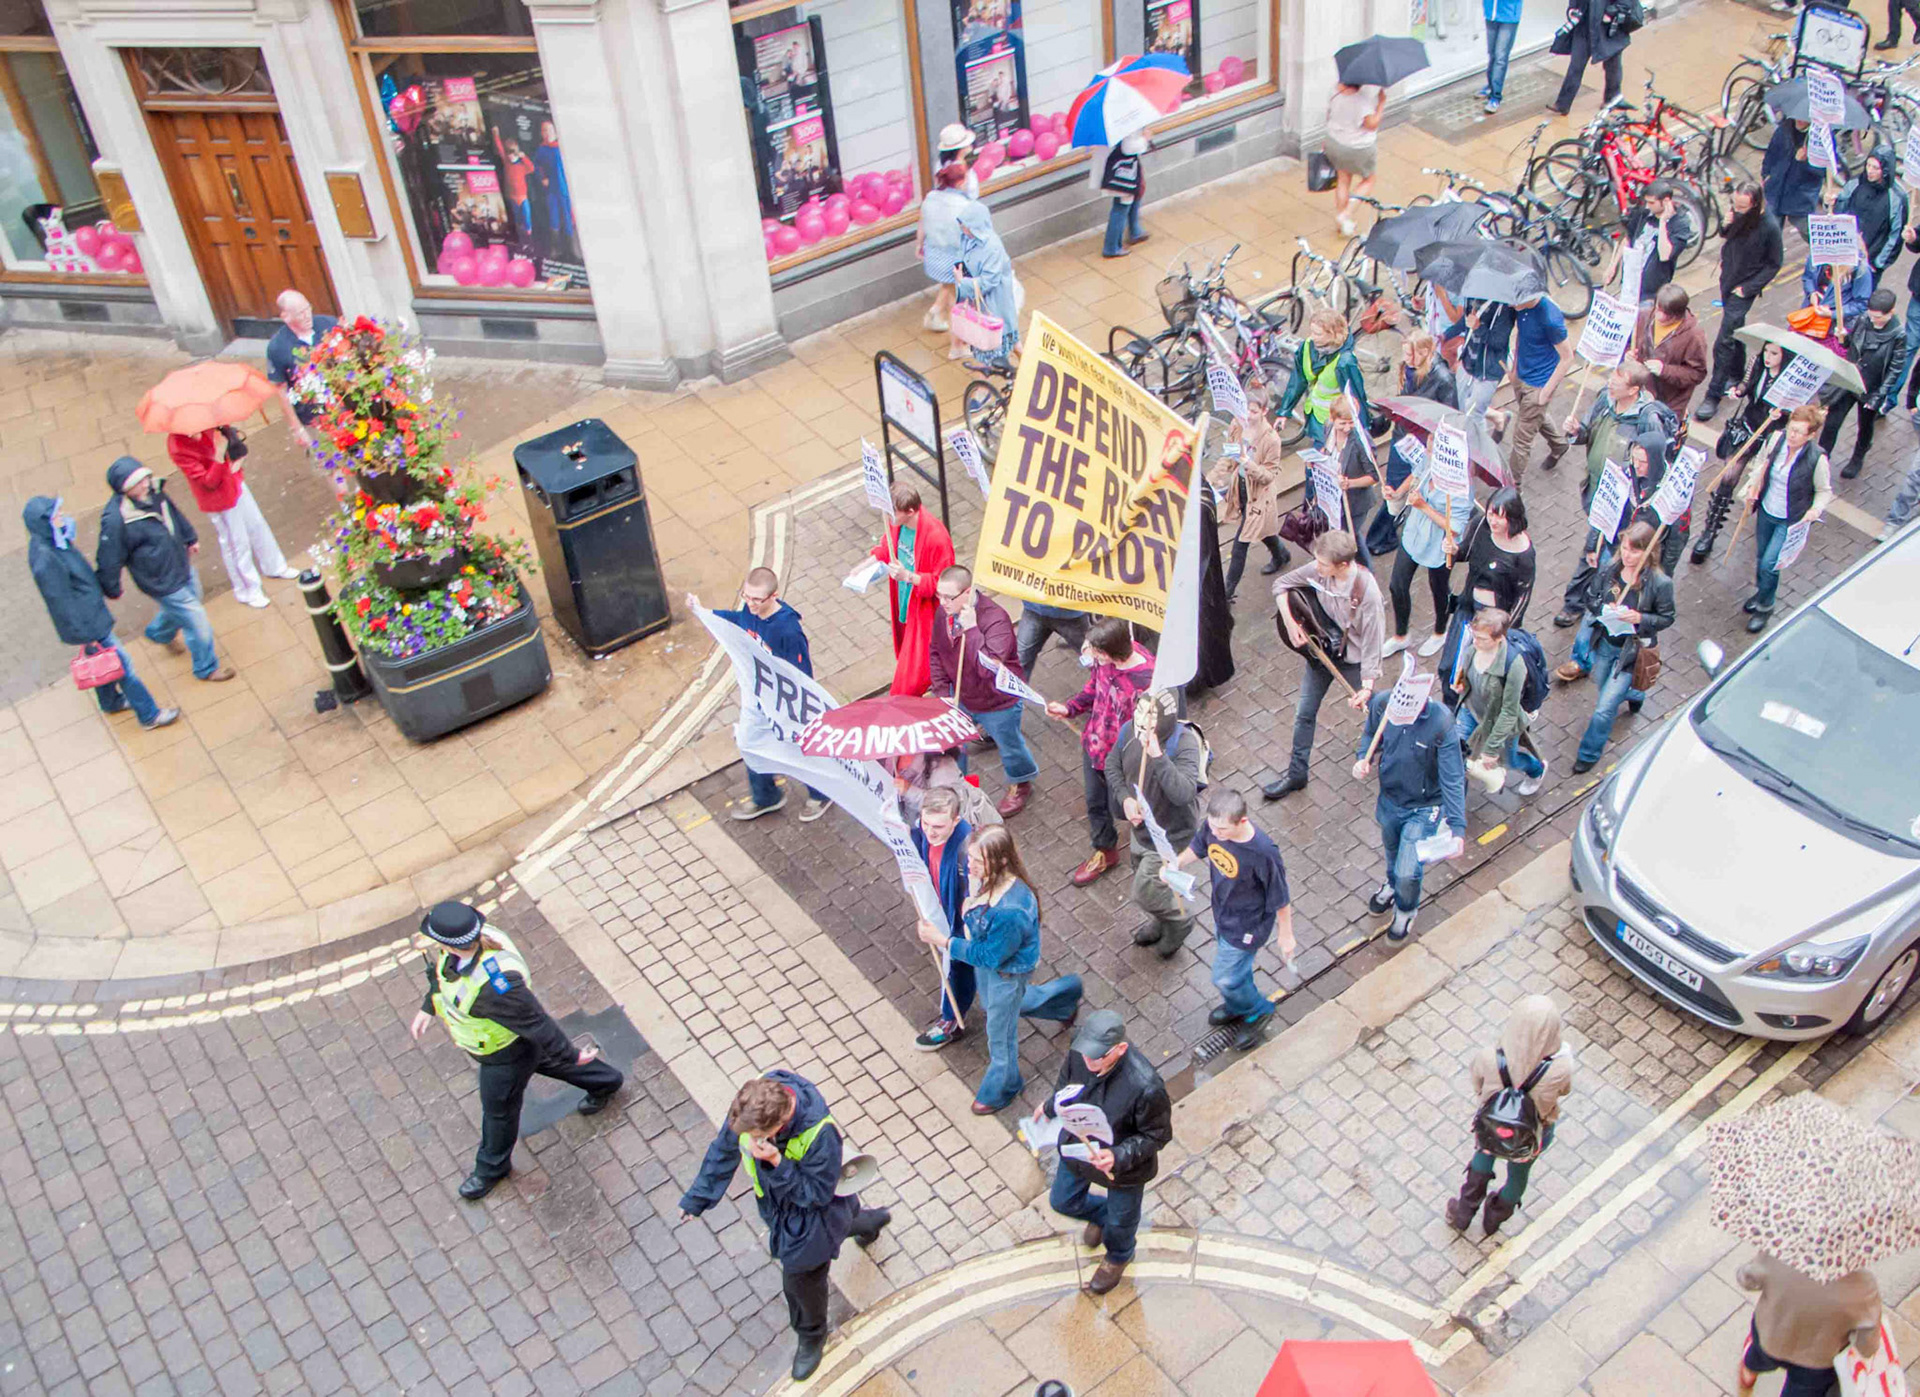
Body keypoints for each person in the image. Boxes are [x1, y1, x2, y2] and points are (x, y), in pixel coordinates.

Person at [677, 1073, 892, 1381]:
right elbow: (723, 1148)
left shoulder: (821, 1135)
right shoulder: (752, 1105)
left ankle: (812, 1336)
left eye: (755, 1138)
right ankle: (868, 1222)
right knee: (840, 1224)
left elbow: (816, 1195)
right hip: (780, 1207)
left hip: (810, 1216)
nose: (748, 1143)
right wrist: (698, 1198)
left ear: (777, 1127)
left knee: (800, 1281)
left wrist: (777, 1162)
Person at [409, 901, 624, 1200]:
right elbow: (442, 979)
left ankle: (491, 1168)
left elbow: (536, 1022)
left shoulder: (497, 986)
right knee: (547, 1060)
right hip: (513, 1042)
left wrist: (571, 1053)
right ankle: (606, 1081)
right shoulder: (473, 941)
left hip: (504, 1055)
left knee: (499, 1112)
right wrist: (428, 1008)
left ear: (450, 943)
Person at [915, 826, 1082, 1113]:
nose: (971, 866)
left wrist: (944, 942)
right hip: (998, 969)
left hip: (1006, 970)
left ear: (1001, 860)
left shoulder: (1009, 910)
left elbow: (990, 956)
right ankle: (1064, 998)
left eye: (978, 861)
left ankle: (1004, 1084)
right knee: (1003, 1004)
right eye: (970, 859)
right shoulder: (988, 879)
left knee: (1000, 1032)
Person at [1033, 1009, 1172, 1295]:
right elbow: (1065, 1087)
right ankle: (1102, 1217)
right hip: (1079, 1147)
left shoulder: (1146, 1086)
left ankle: (1118, 1256)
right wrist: (1049, 1107)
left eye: (1097, 1056)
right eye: (1085, 1053)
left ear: (1120, 1049)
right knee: (1062, 1201)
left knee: (1122, 1222)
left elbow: (1157, 1135)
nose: (1088, 1061)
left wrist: (1119, 1156)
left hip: (1123, 1168)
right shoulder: (1080, 1054)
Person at [24, 497, 178, 731]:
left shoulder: (52, 540)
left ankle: (110, 702)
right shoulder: (45, 558)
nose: (62, 516)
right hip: (89, 623)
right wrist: (88, 635)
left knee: (102, 661)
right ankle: (149, 715)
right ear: (44, 522)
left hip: (91, 616)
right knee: (123, 666)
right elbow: (61, 603)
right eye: (56, 515)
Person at [1166, 789, 1298, 1048]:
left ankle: (1258, 1009)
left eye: (1223, 830)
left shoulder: (1263, 852)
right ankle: (1238, 1002)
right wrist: (1176, 865)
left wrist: (1286, 934)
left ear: (1243, 822)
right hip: (1224, 914)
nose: (1217, 834)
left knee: (1224, 977)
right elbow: (1199, 845)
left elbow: (1280, 896)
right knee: (1236, 972)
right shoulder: (1213, 828)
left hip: (1247, 926)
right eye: (1213, 827)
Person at [1263, 530, 1386, 802]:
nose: (1316, 568)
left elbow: (1373, 643)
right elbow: (1281, 585)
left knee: (1375, 710)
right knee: (1304, 713)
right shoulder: (1320, 569)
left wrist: (1367, 685)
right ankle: (1297, 774)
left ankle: (1397, 747)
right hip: (1323, 654)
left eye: (1322, 564)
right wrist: (1289, 620)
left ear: (1342, 565)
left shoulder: (1368, 593)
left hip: (1353, 660)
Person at [95, 457, 233, 684]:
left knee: (194, 597)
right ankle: (206, 668)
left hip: (179, 563)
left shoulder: (155, 491)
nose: (145, 484)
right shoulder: (116, 520)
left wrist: (189, 537)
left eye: (145, 478)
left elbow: (173, 514)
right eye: (138, 482)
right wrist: (111, 587)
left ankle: (160, 633)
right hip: (159, 580)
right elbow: (109, 556)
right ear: (124, 488)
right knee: (196, 618)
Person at [707, 570, 830, 822]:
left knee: (799, 747)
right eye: (746, 596)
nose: (750, 604)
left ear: (773, 596)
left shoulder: (788, 630)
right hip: (759, 694)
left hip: (784, 700)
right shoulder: (750, 610)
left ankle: (821, 792)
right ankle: (765, 796)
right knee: (750, 741)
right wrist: (708, 615)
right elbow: (739, 621)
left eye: (756, 600)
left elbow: (801, 674)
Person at [1446, 995, 1574, 1234]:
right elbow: (1564, 1091)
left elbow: (1477, 1085)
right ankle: (1495, 1217)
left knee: (1483, 1156)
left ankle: (1463, 1212)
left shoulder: (1488, 1057)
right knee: (1519, 1174)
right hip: (1534, 1132)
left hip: (1492, 1127)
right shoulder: (1561, 1068)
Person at [1553, 362, 1666, 627]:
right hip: (1595, 489)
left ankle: (1581, 603)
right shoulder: (1606, 399)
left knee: (1597, 549)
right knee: (1595, 546)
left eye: (1618, 382)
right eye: (1612, 379)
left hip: (1621, 503)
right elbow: (1587, 432)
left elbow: (1653, 463)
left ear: (1635, 390)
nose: (1610, 385)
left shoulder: (1647, 419)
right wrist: (1576, 431)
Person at [1354, 679, 1467, 943]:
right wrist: (1363, 757)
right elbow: (1371, 734)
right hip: (1390, 799)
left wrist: (1457, 827)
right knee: (1392, 850)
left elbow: (1453, 777)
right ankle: (1393, 886)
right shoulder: (1383, 704)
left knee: (1408, 867)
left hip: (1424, 806)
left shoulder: (1441, 723)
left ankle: (1406, 908)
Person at [1048, 617, 1157, 884]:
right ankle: (1105, 851)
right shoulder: (1103, 662)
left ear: (1110, 652)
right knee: (1095, 804)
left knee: (1124, 808)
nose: (1089, 655)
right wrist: (1070, 708)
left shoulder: (1147, 681)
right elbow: (1093, 690)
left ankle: (1153, 855)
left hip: (1123, 759)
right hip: (1095, 745)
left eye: (1095, 651)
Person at [1566, 521, 1675, 773]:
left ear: (1648, 552)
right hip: (1605, 643)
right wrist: (1604, 609)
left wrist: (1641, 619)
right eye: (1625, 548)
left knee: (1604, 708)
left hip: (1631, 652)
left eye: (1635, 551)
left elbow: (1667, 617)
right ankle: (1635, 694)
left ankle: (1589, 752)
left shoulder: (1660, 583)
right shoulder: (1610, 570)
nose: (1627, 555)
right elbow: (1590, 597)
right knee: (1604, 686)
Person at [929, 566, 1038, 817]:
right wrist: (941, 690)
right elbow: (936, 650)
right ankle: (959, 785)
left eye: (949, 597)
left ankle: (1021, 782)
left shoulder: (995, 619)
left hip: (997, 701)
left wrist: (971, 629)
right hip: (962, 694)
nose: (942, 602)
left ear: (968, 593)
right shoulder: (944, 612)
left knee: (1010, 745)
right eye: (939, 596)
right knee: (956, 742)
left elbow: (988, 668)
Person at [1106, 689, 1205, 958]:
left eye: (1149, 716)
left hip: (1170, 839)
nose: (1139, 719)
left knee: (1144, 890)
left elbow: (1184, 792)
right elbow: (1112, 765)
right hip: (1141, 831)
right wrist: (1125, 798)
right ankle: (1162, 917)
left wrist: (1158, 756)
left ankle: (1179, 921)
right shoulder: (1128, 732)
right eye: (1139, 711)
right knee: (1150, 880)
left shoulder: (1184, 743)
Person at [165, 427, 298, 609]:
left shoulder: (209, 423)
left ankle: (274, 566)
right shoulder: (178, 447)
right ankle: (247, 590)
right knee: (236, 543)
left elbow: (234, 444)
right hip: (218, 499)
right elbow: (208, 482)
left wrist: (235, 455)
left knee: (257, 525)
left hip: (234, 481)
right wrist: (219, 455)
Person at [1738, 404, 1834, 634]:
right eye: (1791, 429)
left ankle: (1765, 606)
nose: (1792, 435)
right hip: (1767, 510)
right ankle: (1762, 591)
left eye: (1799, 432)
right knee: (1762, 556)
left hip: (1790, 519)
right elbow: (1761, 464)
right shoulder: (1776, 440)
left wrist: (1815, 510)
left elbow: (1824, 490)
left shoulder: (1817, 459)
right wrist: (1754, 486)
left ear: (1810, 435)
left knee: (1770, 564)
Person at [1735, 1255, 1883, 1397]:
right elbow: (1868, 1346)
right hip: (1818, 1362)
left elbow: (1747, 1279)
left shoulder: (1782, 1254)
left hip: (1770, 1336)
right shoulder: (1864, 1287)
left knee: (1759, 1356)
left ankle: (1749, 1372)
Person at [1698, 183, 1785, 419]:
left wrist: (1748, 289)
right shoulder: (1739, 215)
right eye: (1735, 205)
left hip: (1743, 287)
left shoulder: (1770, 227)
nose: (1738, 210)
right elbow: (1727, 235)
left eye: (1742, 207)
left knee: (1724, 340)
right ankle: (1737, 371)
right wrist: (1726, 225)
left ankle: (1713, 394)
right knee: (1735, 330)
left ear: (1755, 204)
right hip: (1729, 280)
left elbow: (1774, 264)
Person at [1384, 431, 1472, 661]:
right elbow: (1415, 476)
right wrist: (1397, 493)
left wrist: (1423, 506)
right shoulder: (1426, 460)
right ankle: (1401, 634)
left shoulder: (1460, 485)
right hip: (1414, 533)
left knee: (1439, 589)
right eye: (1430, 443)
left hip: (1438, 544)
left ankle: (1441, 631)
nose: (1430, 449)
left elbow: (1454, 528)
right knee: (1397, 585)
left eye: (1435, 446)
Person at [870, 483, 955, 696]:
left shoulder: (937, 538)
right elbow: (886, 547)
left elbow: (944, 583)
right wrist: (864, 566)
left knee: (910, 680)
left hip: (925, 614)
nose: (890, 517)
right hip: (906, 605)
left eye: (894, 513)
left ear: (910, 511)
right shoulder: (898, 524)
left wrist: (909, 577)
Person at [1453, 608, 1547, 796]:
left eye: (1482, 639)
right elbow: (1469, 674)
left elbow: (1509, 712)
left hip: (1497, 721)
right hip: (1471, 710)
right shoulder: (1474, 648)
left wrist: (1491, 748)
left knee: (1509, 761)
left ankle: (1536, 770)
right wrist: (1461, 681)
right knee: (1454, 752)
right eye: (1475, 636)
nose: (1476, 642)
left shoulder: (1514, 665)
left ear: (1498, 639)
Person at [1208, 387, 1289, 601]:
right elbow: (1228, 455)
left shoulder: (1271, 439)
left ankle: (1226, 593)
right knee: (1259, 529)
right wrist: (1212, 478)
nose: (1247, 415)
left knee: (1240, 543)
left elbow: (1269, 476)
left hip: (1260, 495)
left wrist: (1247, 462)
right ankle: (1281, 554)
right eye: (1245, 410)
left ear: (1264, 411)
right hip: (1242, 489)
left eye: (1253, 411)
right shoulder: (1237, 424)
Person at [911, 787, 976, 1051]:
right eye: (926, 823)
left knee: (959, 967)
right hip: (945, 908)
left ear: (956, 820)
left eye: (938, 826)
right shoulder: (925, 830)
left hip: (964, 921)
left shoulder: (968, 851)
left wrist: (953, 937)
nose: (930, 831)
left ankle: (951, 1020)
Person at [1819, 286, 1906, 479]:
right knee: (1832, 423)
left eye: (1878, 317)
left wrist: (1879, 395)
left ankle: (1858, 455)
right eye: (1871, 315)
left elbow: (1895, 369)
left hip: (1871, 388)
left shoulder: (1898, 335)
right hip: (1850, 380)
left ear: (1890, 312)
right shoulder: (1863, 319)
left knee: (1865, 425)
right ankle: (1820, 460)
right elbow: (1851, 344)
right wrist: (1843, 338)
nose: (1873, 320)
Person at [1277, 310, 1373, 448]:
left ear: (1333, 334)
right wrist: (1284, 411)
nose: (1312, 337)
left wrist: (1362, 431)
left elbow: (1356, 397)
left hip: (1337, 425)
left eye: (1318, 334)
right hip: (1316, 418)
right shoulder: (1307, 347)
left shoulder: (1345, 361)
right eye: (1312, 332)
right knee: (1316, 464)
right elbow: (1298, 380)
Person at [1502, 293, 1571, 476]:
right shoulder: (1521, 308)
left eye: (1514, 299)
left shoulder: (1550, 319)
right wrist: (1514, 369)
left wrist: (1545, 392)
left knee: (1521, 440)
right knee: (1533, 416)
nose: (1509, 304)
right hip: (1521, 375)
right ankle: (1559, 444)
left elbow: (1567, 357)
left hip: (1539, 383)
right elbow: (1521, 336)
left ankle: (1513, 488)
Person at [1628, 284, 1711, 428]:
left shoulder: (1694, 336)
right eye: (1657, 308)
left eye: (1663, 312)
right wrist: (1628, 355)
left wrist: (1664, 370)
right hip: (1639, 393)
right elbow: (1630, 343)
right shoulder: (1645, 315)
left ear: (1676, 315)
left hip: (1668, 403)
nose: (1656, 314)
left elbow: (1697, 373)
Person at [264, 290, 339, 451]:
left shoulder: (330, 324)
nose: (307, 316)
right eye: (300, 314)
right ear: (286, 317)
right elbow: (281, 390)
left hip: (343, 406)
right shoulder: (277, 348)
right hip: (313, 417)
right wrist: (297, 428)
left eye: (308, 309)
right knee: (330, 462)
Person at [919, 131, 978, 330]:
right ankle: (959, 341)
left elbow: (923, 217)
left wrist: (920, 243)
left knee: (948, 281)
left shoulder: (940, 169)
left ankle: (935, 314)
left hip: (940, 237)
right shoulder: (967, 175)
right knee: (956, 291)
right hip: (957, 236)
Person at [1608, 181, 1697, 308]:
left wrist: (1663, 222)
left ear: (1666, 201)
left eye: (1652, 203)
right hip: (1629, 282)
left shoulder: (1680, 224)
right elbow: (1628, 239)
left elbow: (1664, 255)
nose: (1648, 206)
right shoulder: (1643, 213)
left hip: (1651, 292)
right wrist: (1613, 265)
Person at [954, 199, 1022, 364]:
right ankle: (1031, 371)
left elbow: (989, 281)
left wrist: (963, 283)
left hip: (994, 304)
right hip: (985, 303)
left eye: (966, 225)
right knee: (1012, 341)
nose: (963, 229)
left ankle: (983, 388)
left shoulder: (992, 247)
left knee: (993, 349)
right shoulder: (969, 239)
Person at [1323, 396, 1384, 570]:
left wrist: (1349, 483)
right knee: (1346, 536)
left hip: (1356, 502)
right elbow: (1326, 451)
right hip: (1335, 499)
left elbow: (1373, 476)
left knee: (1352, 537)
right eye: (1342, 423)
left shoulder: (1360, 441)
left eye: (1351, 423)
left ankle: (1366, 572)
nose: (1347, 428)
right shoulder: (1327, 428)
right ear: (1332, 418)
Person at [1830, 145, 1907, 285]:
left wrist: (1878, 264)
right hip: (1846, 256)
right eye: (1868, 165)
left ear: (1885, 170)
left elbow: (1895, 235)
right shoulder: (1855, 183)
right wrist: (1831, 202)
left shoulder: (1897, 197)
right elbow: (1839, 212)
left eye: (1875, 168)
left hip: (1870, 263)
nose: (1869, 171)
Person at [1547, 0, 1631, 116]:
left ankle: (1612, 98)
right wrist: (1572, 8)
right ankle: (1563, 104)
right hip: (1584, 24)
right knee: (1576, 65)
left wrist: (1611, 12)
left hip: (1606, 26)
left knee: (1612, 64)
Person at [1324, 80, 1385, 236]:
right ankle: (1346, 214)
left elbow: (1328, 115)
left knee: (1343, 179)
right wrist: (1381, 105)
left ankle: (1341, 222)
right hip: (1358, 148)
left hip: (1335, 142)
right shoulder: (1361, 101)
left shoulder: (1334, 92)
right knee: (1369, 180)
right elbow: (1371, 124)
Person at [1448, 298, 1515, 430]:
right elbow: (1466, 322)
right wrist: (1446, 335)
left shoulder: (1505, 308)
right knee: (1462, 409)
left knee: (1474, 416)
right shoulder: (1471, 296)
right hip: (1467, 363)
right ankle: (1499, 418)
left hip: (1488, 371)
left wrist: (1478, 327)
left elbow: (1499, 342)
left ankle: (1481, 449)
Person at [895, 750, 1000, 831]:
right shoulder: (897, 750)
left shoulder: (943, 768)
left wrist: (908, 790)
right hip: (927, 824)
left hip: (957, 830)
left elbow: (944, 805)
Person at [1760, 119, 1824, 239]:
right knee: (1771, 235)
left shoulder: (1820, 139)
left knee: (1810, 234)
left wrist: (1806, 162)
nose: (1799, 120)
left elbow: (1822, 172)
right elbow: (1771, 154)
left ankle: (1826, 254)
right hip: (1776, 191)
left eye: (1804, 118)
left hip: (1800, 198)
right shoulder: (1784, 130)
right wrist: (1766, 174)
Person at [1800, 237, 1875, 333]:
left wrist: (1833, 314)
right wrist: (1812, 293)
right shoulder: (1816, 255)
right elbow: (1808, 277)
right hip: (1813, 318)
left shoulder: (1860, 270)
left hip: (1839, 326)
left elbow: (1861, 304)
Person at [1098, 133, 1151, 258]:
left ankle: (1134, 231)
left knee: (1133, 197)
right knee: (1121, 207)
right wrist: (1145, 140)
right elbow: (1128, 147)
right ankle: (1111, 247)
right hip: (1124, 173)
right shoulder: (1124, 124)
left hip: (1123, 169)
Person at [1016, 601, 1090, 680]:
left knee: (1094, 655)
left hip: (1071, 614)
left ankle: (1103, 686)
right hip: (1033, 609)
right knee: (1020, 660)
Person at [1480, 0, 1525, 114]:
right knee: (1492, 54)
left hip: (1509, 16)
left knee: (1500, 56)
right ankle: (1490, 86)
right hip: (1491, 14)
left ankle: (1495, 96)